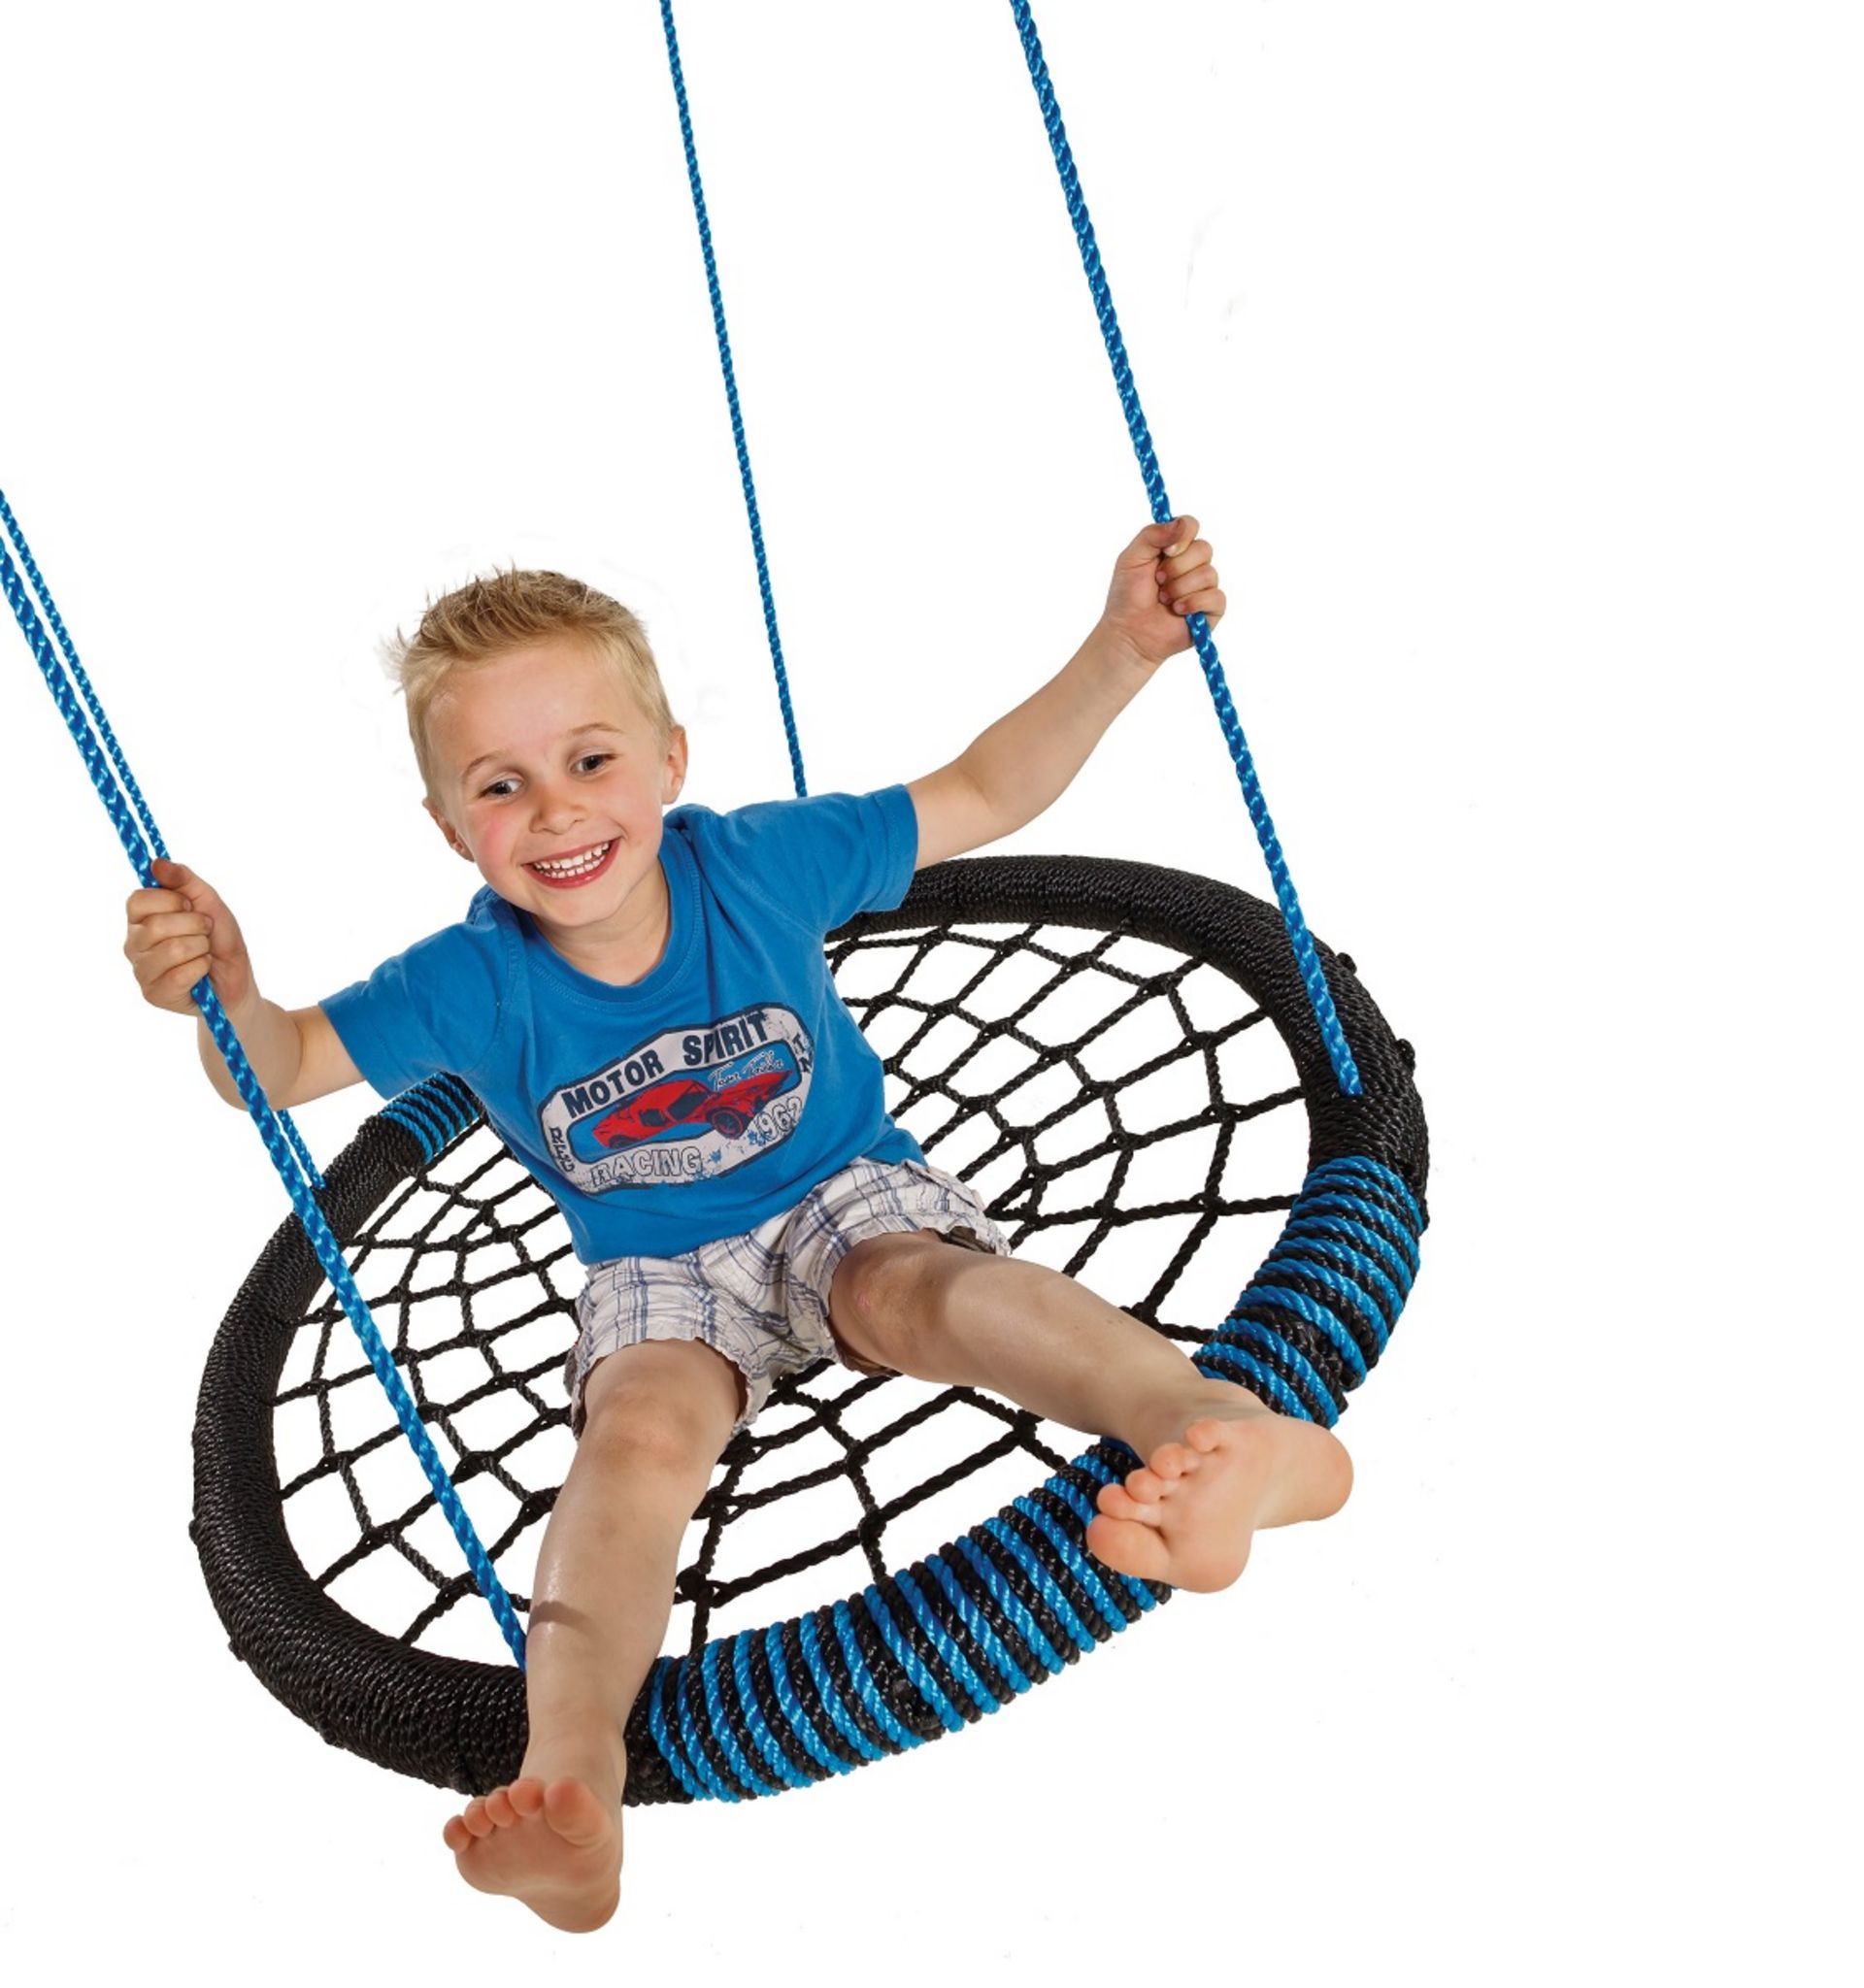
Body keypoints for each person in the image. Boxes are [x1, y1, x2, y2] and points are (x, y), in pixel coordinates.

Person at [123, 515, 1353, 1933]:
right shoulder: (464, 982)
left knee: (922, 1292)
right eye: (502, 786)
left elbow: (982, 786)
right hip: (654, 1274)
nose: (558, 812)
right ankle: (573, 1785)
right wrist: (221, 993)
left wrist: (1122, 650)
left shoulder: (755, 865)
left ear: (670, 764)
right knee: (635, 1439)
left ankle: (1231, 1437)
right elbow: (274, 1068)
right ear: (451, 828)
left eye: (592, 762)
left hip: (839, 1194)